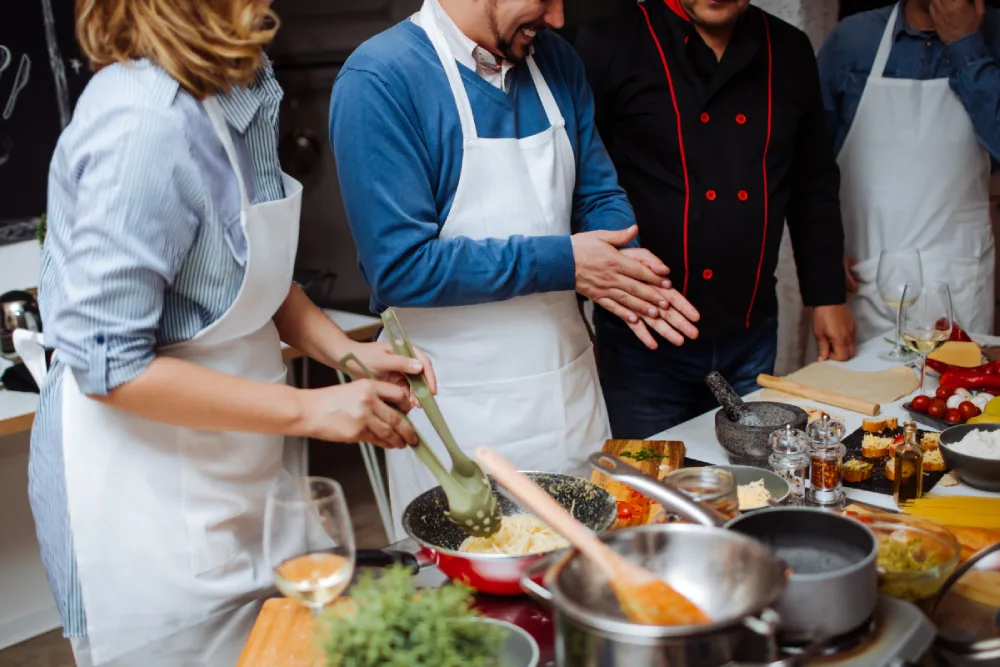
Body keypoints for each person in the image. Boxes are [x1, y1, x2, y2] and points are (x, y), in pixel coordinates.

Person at [22, 1, 436, 665]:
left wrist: (346, 354)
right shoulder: (140, 121)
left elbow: (257, 277)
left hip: (229, 480)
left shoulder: (231, 87)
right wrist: (310, 408)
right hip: (145, 509)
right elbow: (110, 365)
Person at [329, 0, 701, 539]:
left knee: (587, 578)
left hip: (569, 400)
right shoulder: (381, 80)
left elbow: (598, 194)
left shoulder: (557, 62)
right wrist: (568, 262)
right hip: (459, 418)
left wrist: (622, 263)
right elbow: (401, 267)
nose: (556, 18)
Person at [574, 0, 855, 438]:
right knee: (649, 492)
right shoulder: (609, 43)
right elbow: (575, 183)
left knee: (750, 486)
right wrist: (575, 321)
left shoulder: (788, 48)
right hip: (643, 340)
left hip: (750, 334)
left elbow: (811, 180)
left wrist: (826, 296)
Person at [819, 0, 1000, 341]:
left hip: (959, 282)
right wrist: (823, 253)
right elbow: (808, 165)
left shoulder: (994, 37)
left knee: (954, 393)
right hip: (863, 278)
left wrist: (967, 47)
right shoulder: (853, 40)